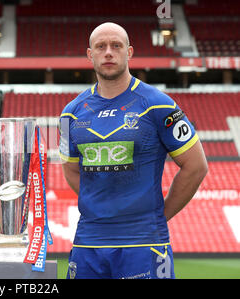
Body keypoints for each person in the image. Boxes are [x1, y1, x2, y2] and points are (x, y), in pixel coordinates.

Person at [59, 22, 208, 279]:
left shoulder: (159, 105)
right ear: (89, 54)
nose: (108, 52)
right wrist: (102, 208)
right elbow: (71, 170)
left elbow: (196, 167)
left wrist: (158, 217)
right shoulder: (68, 114)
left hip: (144, 243)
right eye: (100, 46)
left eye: (116, 46)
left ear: (129, 52)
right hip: (88, 243)